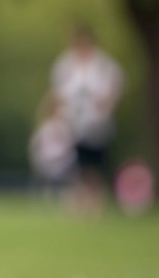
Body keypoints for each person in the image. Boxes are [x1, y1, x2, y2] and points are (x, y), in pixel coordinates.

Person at [49, 24, 123, 215]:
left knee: (95, 164)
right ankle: (79, 202)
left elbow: (113, 92)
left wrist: (103, 105)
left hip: (96, 123)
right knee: (76, 165)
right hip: (73, 123)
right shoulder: (65, 64)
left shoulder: (104, 65)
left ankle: (95, 202)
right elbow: (57, 93)